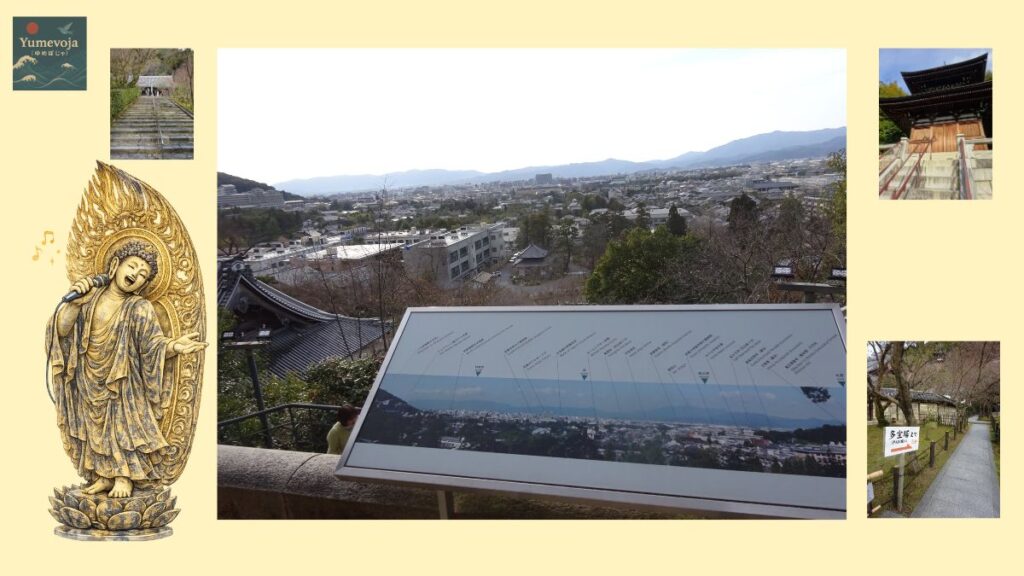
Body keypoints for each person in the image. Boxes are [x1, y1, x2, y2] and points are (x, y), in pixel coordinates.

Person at [47, 240, 207, 498]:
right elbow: (61, 332)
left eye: (143, 274)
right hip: (88, 375)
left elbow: (152, 345)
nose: (136, 274)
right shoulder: (90, 296)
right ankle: (101, 475)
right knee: (92, 427)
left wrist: (175, 346)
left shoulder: (139, 307)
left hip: (124, 379)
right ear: (114, 265)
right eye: (133, 266)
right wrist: (75, 303)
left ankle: (124, 476)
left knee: (122, 424)